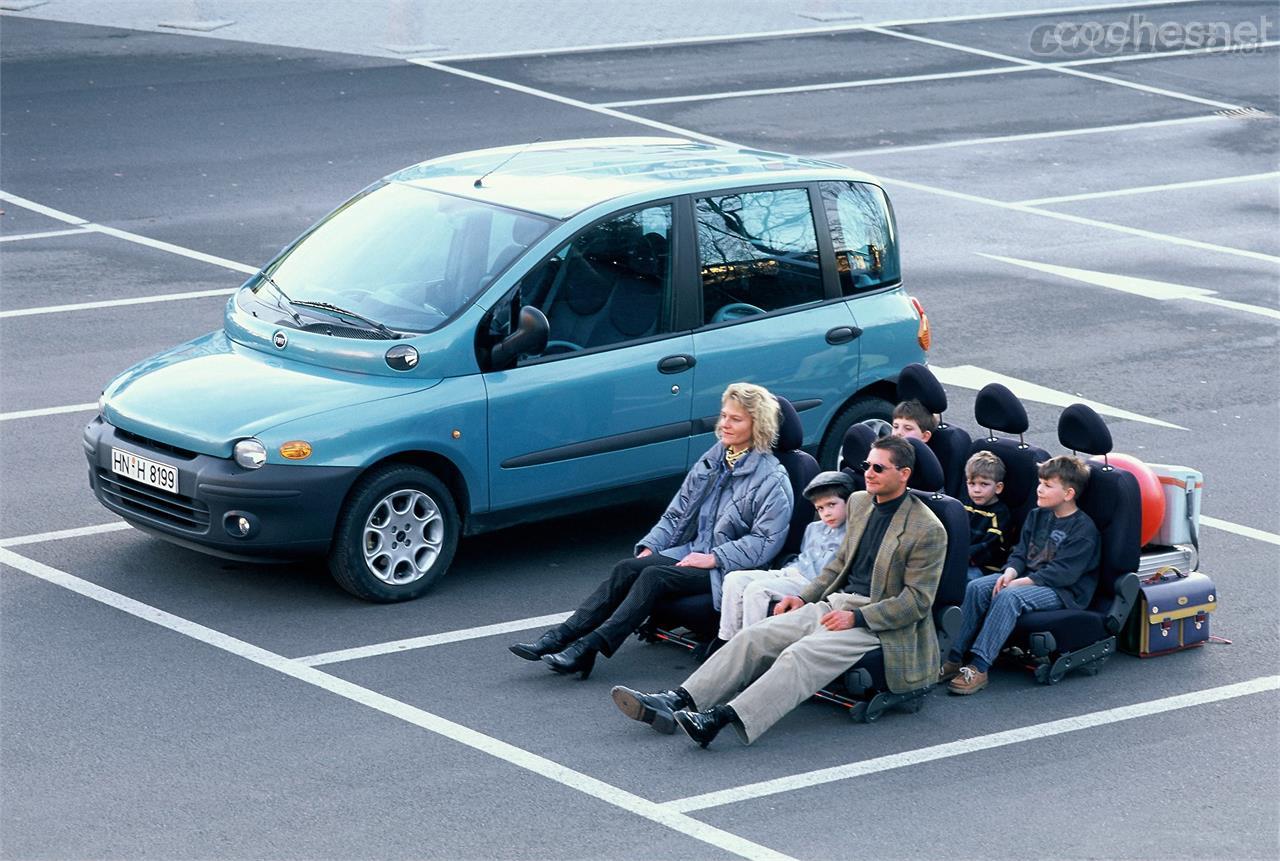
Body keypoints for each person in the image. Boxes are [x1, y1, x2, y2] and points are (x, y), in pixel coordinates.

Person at [611, 436, 946, 746]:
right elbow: (839, 563)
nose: (868, 473)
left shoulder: (927, 529)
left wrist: (857, 617)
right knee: (754, 637)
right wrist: (803, 597)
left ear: (904, 474)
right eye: (866, 466)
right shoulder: (860, 503)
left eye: (878, 468)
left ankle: (719, 719)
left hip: (879, 623)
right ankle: (676, 700)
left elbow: (917, 602)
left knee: (798, 655)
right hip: (834, 604)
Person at [508, 382, 793, 680]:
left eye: (736, 419)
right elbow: (677, 513)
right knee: (628, 567)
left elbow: (765, 542)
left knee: (654, 576)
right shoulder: (713, 460)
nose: (724, 424)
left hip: (728, 569)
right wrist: (652, 547)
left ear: (757, 424)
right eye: (723, 416)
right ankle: (559, 636)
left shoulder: (772, 478)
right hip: (692, 551)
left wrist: (714, 558)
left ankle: (588, 649)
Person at [944, 455, 1100, 695]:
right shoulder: (1037, 515)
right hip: (1029, 577)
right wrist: (1010, 572)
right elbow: (1020, 551)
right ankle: (953, 657)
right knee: (976, 587)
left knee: (1009, 597)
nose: (1039, 489)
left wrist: (1020, 582)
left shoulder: (1083, 529)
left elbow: (1064, 574)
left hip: (1063, 591)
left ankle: (979, 666)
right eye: (1040, 483)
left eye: (1048, 485)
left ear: (1068, 494)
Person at [715, 470, 854, 642]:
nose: (826, 513)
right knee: (734, 579)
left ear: (849, 503)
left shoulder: (853, 532)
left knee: (757, 590)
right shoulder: (813, 528)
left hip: (810, 582)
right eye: (820, 508)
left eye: (832, 505)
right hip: (790, 571)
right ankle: (728, 640)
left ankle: (754, 646)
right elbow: (804, 556)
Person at [963, 451, 1012, 581]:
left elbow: (989, 546)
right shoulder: (965, 505)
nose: (976, 490)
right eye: (972, 484)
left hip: (986, 567)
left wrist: (960, 556)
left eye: (984, 484)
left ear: (998, 487)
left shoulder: (1000, 514)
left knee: (965, 577)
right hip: (962, 559)